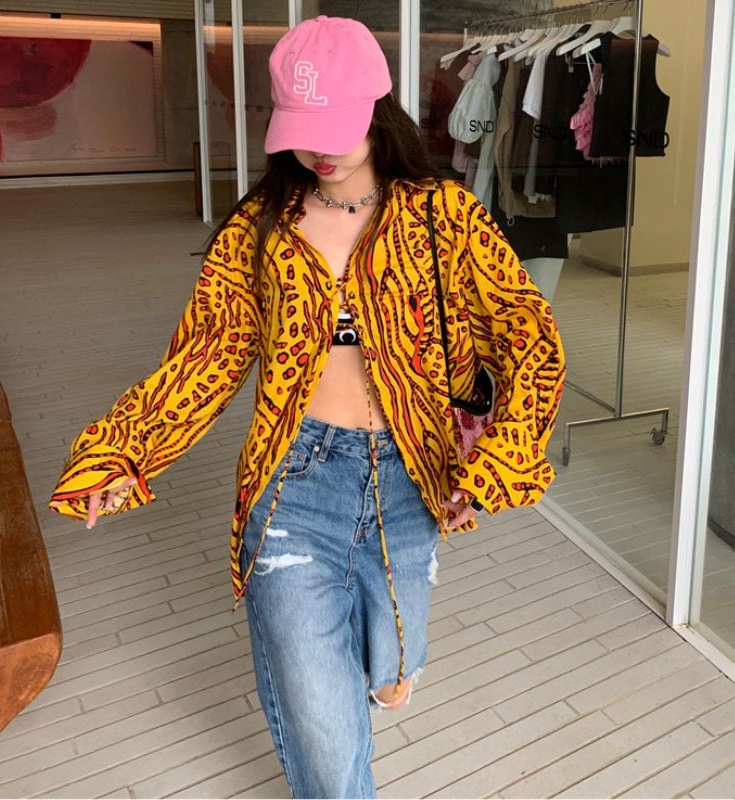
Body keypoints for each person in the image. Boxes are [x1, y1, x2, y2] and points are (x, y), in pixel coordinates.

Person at [50, 15, 565, 799]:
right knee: (324, 733)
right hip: (295, 482)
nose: (319, 150)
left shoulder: (444, 218)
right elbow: (207, 355)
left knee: (393, 666)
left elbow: (530, 337)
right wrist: (125, 449)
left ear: (377, 106)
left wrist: (503, 457)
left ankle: (389, 666)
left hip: (413, 478)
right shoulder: (259, 230)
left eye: (335, 126)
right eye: (303, 130)